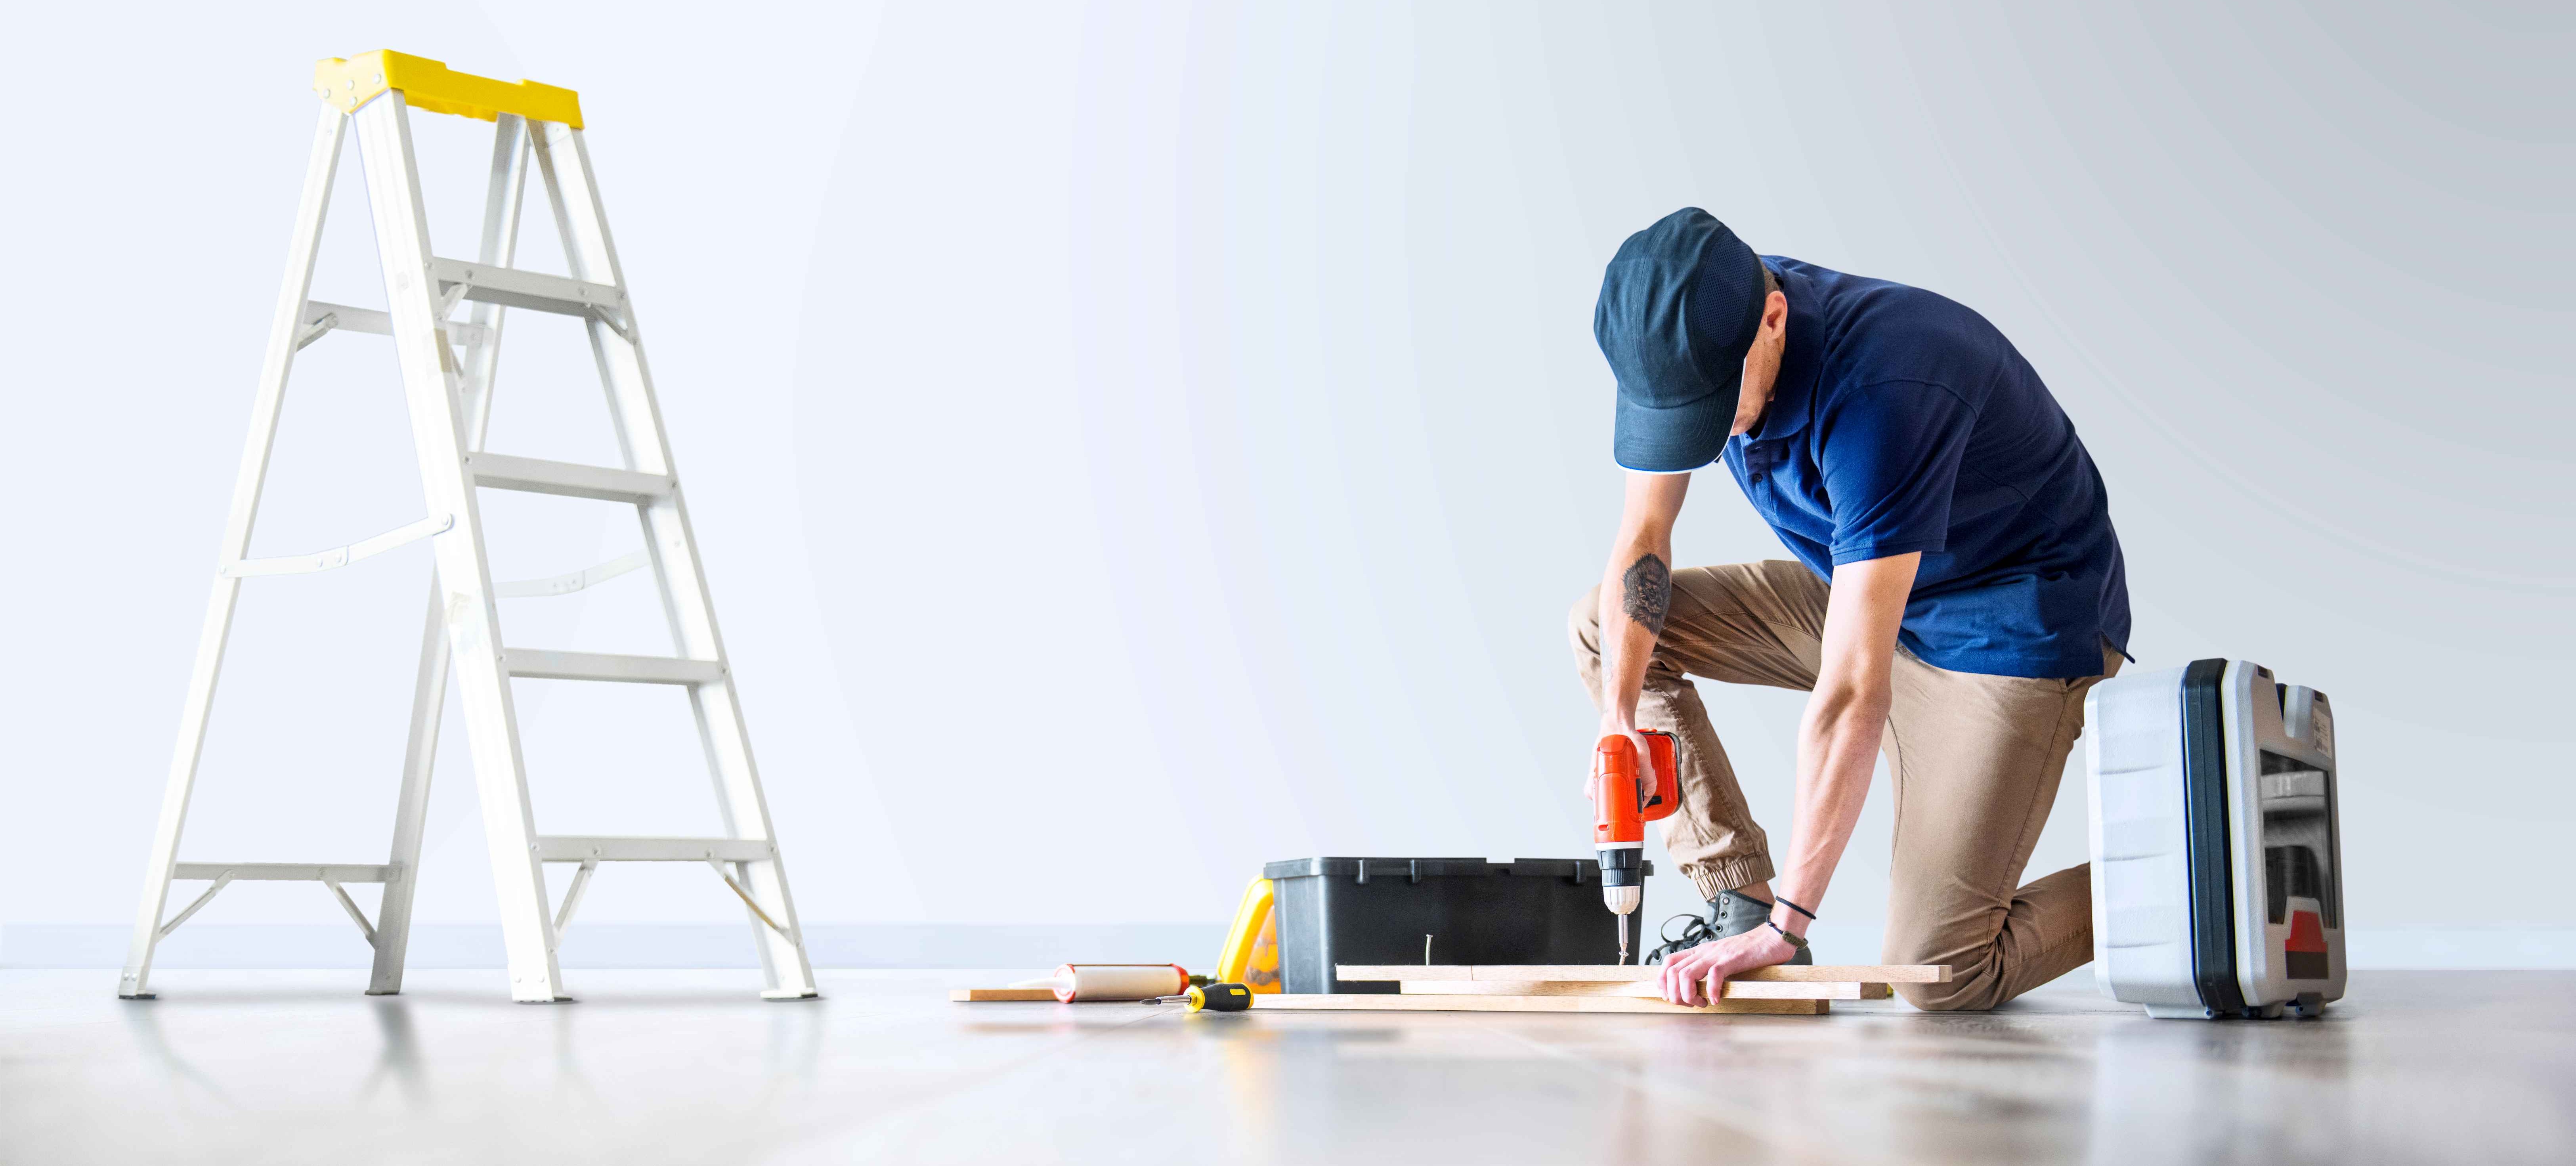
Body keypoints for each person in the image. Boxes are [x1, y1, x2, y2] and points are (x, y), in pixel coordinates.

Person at [1574, 209, 2130, 1011]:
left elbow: (1850, 692)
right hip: (1869, 585)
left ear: (1774, 321)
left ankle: (2190, 861)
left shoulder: (1887, 389)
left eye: (1709, 409)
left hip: (2006, 628)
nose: (1702, 434)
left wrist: (1793, 928)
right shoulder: (1699, 324)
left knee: (1941, 971)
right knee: (1606, 627)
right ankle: (1741, 900)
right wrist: (1618, 718)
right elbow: (1643, 538)